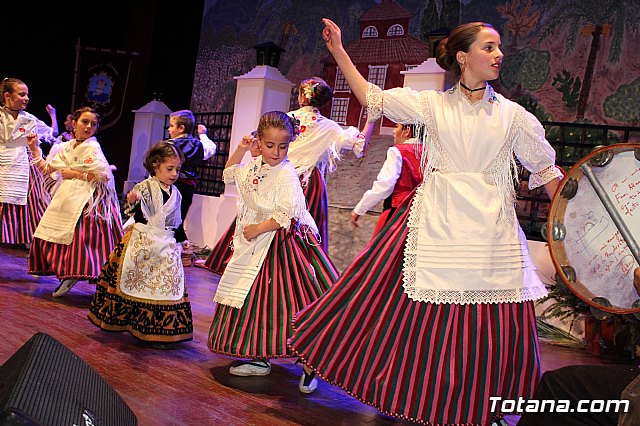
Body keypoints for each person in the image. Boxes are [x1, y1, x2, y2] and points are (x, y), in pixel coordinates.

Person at [288, 19, 564, 423]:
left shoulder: (514, 117)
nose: (499, 54)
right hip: (436, 220)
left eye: (499, 47)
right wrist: (339, 52)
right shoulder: (432, 105)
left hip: (491, 232)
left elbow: (548, 172)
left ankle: (492, 404)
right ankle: (354, 369)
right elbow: (372, 98)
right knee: (378, 298)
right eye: (489, 47)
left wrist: (573, 224)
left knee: (492, 322)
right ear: (463, 57)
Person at [208, 111, 338, 394]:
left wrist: (257, 228)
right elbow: (229, 175)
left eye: (283, 146)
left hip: (283, 244)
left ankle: (309, 362)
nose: (276, 152)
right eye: (269, 145)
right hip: (257, 243)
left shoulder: (286, 174)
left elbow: (286, 215)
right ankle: (260, 355)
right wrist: (242, 149)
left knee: (289, 301)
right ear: (260, 141)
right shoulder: (255, 165)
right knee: (257, 303)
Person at [203, 77, 374, 274]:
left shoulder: (284, 119)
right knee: (302, 227)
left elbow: (258, 150)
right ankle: (297, 272)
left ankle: (249, 264)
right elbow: (359, 146)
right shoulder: (329, 127)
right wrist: (371, 118)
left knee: (261, 214)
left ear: (302, 96)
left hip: (276, 173)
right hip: (308, 182)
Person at [88, 141, 193, 344]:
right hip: (142, 242)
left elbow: (176, 223)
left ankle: (159, 332)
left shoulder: (177, 194)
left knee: (164, 287)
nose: (174, 174)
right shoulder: (143, 188)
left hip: (164, 246)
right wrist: (133, 200)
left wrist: (184, 240)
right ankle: (129, 323)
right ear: (155, 165)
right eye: (169, 169)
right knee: (133, 281)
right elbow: (137, 214)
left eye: (177, 170)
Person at [26, 107, 123, 297]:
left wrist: (76, 174)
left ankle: (73, 275)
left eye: (93, 124)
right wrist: (34, 147)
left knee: (81, 238)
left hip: (89, 198)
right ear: (74, 123)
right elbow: (47, 169)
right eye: (85, 122)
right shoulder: (68, 147)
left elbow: (104, 176)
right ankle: (66, 273)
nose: (88, 127)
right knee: (49, 231)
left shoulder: (92, 147)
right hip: (67, 195)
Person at [0, 78, 58, 247]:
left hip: (22, 168)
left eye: (27, 95)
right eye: (22, 94)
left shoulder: (29, 120)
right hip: (3, 164)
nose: (26, 98)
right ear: (8, 96)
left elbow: (52, 133)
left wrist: (53, 115)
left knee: (31, 212)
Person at [351, 122, 422, 235]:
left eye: (396, 126)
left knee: (386, 250)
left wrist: (360, 208)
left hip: (399, 213)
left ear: (407, 131)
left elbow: (385, 185)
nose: (394, 131)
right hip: (422, 216)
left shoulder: (397, 151)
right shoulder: (429, 153)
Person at [167, 110, 217, 250]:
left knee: (169, 219)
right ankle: (180, 245)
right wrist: (203, 134)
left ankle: (177, 246)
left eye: (171, 126)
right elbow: (211, 148)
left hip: (171, 185)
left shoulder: (169, 145)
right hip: (188, 186)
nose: (169, 129)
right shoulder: (197, 145)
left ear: (181, 128)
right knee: (179, 217)